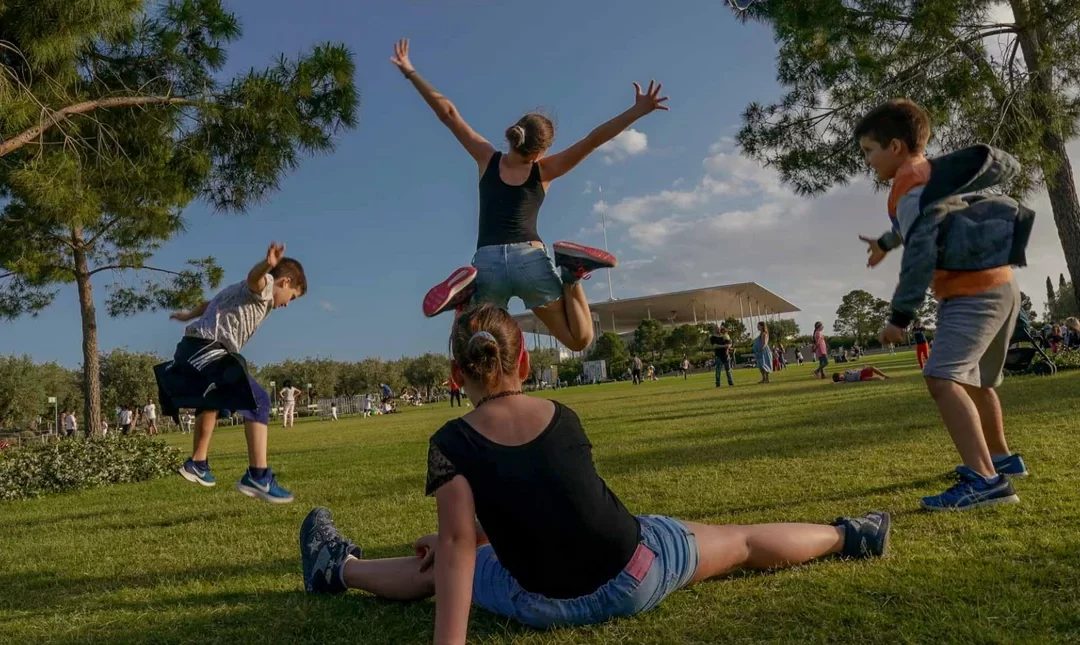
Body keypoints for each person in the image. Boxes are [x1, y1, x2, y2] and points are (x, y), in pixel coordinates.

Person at [297, 304, 890, 642]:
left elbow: (455, 547)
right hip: (633, 577)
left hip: (538, 600)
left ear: (457, 376)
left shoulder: (451, 440)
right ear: (523, 361)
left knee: (439, 567)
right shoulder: (563, 414)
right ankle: (849, 535)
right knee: (739, 540)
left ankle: (338, 568)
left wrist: (466, 552)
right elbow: (557, 501)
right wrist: (470, 541)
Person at [392, 39, 669, 351]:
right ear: (539, 152)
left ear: (513, 135)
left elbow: (449, 114)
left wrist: (411, 72)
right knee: (579, 339)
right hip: (529, 261)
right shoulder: (543, 170)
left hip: (487, 265)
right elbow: (593, 140)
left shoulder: (487, 159)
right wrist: (637, 110)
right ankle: (572, 273)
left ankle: (464, 301)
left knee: (475, 344)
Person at [856, 99, 1027, 510]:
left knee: (941, 377)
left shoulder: (909, 186)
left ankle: (987, 481)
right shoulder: (931, 177)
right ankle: (1002, 459)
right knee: (976, 381)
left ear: (895, 146)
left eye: (869, 150)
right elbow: (922, 223)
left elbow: (921, 250)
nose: (868, 160)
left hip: (971, 294)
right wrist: (884, 242)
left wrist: (900, 316)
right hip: (1003, 286)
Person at [154, 242, 305, 504]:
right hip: (208, 348)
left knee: (212, 402)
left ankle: (198, 463)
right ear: (285, 281)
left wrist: (187, 314)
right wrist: (268, 264)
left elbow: (208, 304)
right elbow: (254, 279)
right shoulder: (266, 288)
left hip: (192, 348)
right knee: (259, 401)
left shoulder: (234, 291)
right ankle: (259, 476)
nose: (288, 305)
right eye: (292, 296)